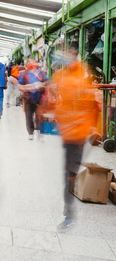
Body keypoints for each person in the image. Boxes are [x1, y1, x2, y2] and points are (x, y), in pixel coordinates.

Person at [50, 43, 98, 232]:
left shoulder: (82, 76)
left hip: (78, 135)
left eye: (69, 54)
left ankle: (69, 215)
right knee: (67, 174)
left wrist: (93, 129)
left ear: (75, 55)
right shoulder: (61, 75)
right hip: (67, 134)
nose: (66, 57)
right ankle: (68, 211)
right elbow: (59, 98)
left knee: (69, 176)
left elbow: (91, 104)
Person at [17, 59, 48, 140]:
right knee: (28, 116)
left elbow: (47, 82)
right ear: (27, 64)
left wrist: (41, 85)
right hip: (28, 98)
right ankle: (30, 133)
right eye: (29, 62)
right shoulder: (24, 74)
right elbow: (20, 86)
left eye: (32, 61)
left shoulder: (41, 73)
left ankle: (39, 131)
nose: (31, 63)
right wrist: (27, 88)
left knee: (39, 116)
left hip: (39, 98)